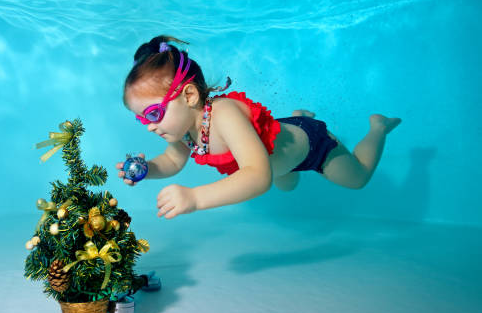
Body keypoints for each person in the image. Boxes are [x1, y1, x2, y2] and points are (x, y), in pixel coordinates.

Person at [116, 35, 401, 219]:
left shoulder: (224, 114)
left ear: (189, 96)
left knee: (358, 178)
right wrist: (147, 171)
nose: (149, 127)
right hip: (280, 156)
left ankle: (378, 128)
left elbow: (258, 176)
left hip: (314, 146)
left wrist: (195, 197)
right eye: (141, 118)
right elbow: (172, 160)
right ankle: (298, 117)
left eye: (153, 113)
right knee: (287, 185)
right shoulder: (183, 129)